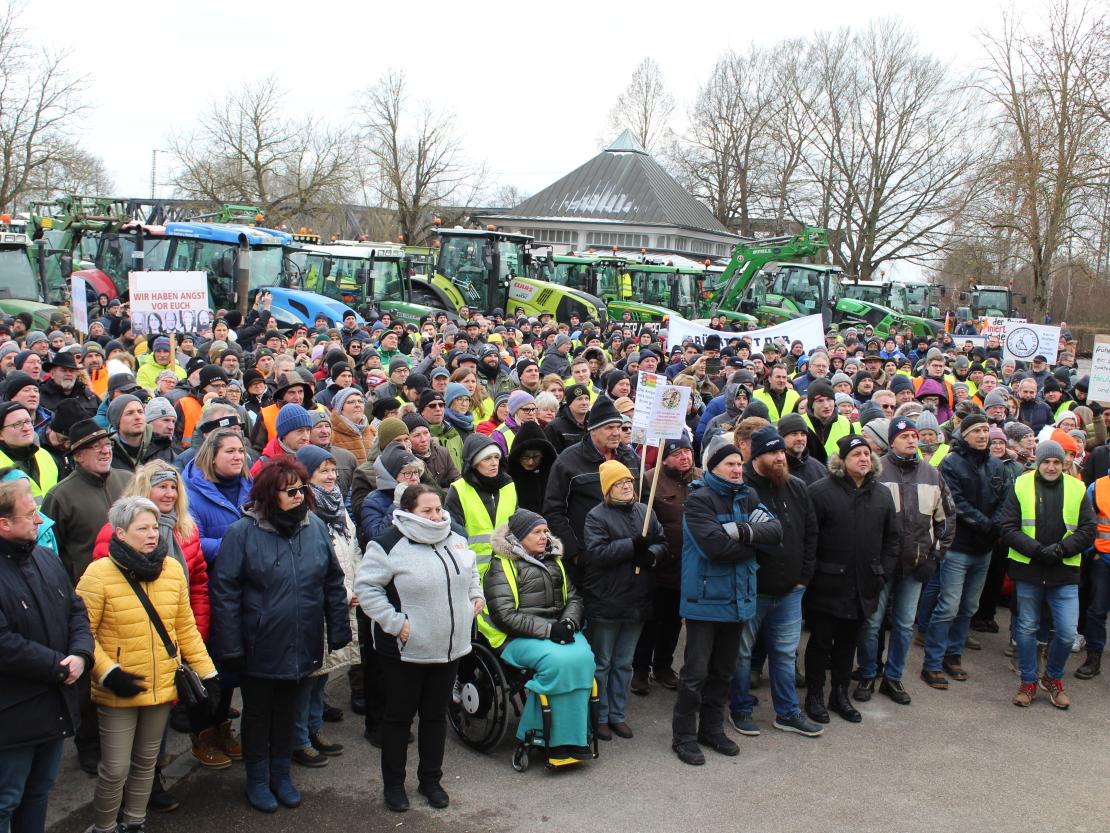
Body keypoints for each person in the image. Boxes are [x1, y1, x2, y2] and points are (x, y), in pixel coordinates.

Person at [208, 456, 352, 813]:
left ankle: (281, 774)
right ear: (270, 494)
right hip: (260, 644)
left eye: (302, 488)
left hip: (302, 639)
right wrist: (231, 646)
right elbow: (225, 592)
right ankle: (258, 779)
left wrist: (337, 629)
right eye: (291, 491)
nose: (299, 496)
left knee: (288, 711)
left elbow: (332, 580)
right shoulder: (242, 532)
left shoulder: (314, 526)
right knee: (258, 714)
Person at [76, 496, 218, 833]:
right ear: (121, 533)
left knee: (147, 762)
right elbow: (81, 633)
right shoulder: (98, 574)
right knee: (115, 768)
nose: (153, 534)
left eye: (155, 527)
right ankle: (105, 826)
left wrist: (208, 672)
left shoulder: (170, 569)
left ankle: (135, 823)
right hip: (119, 690)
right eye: (143, 528)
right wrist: (109, 672)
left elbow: (184, 629)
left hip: (162, 685)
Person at [355, 485, 483, 813]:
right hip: (405, 651)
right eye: (427, 511)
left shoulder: (455, 537)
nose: (436, 516)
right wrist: (396, 623)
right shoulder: (387, 544)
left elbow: (470, 572)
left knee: (435, 717)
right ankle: (394, 786)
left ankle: (430, 781)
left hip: (450, 647)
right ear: (407, 511)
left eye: (438, 509)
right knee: (398, 719)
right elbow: (366, 588)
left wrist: (474, 598)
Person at [672, 444, 782, 766]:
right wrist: (755, 545)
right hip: (705, 601)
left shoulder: (747, 496)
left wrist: (742, 531)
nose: (737, 469)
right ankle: (684, 737)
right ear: (713, 467)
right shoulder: (698, 500)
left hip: (738, 599)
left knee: (724, 672)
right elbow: (715, 548)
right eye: (730, 464)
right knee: (695, 674)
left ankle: (712, 729)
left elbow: (775, 532)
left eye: (739, 463)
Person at [0, 477, 93, 833]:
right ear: (4, 524)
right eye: (30, 515)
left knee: (39, 792)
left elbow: (75, 609)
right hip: (13, 714)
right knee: (7, 799)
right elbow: (4, 644)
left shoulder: (44, 557)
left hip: (53, 705)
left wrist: (81, 655)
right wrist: (58, 667)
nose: (41, 520)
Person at [728, 428, 823, 738]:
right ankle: (740, 708)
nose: (781, 457)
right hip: (751, 589)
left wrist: (803, 577)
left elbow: (810, 533)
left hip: (789, 591)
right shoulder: (739, 489)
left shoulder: (796, 487)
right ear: (756, 457)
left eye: (782, 451)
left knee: (784, 653)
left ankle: (788, 712)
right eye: (773, 452)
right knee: (741, 654)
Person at [855, 419, 955, 707]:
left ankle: (893, 677)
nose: (912, 441)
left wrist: (934, 557)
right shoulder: (875, 470)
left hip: (915, 565)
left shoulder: (932, 474)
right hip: (880, 565)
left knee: (903, 625)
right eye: (904, 436)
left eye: (914, 436)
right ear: (892, 441)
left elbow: (947, 520)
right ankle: (867, 673)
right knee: (872, 623)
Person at [484, 509, 594, 757]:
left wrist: (568, 623)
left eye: (545, 531)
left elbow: (574, 598)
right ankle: (541, 735)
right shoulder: (502, 565)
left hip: (556, 630)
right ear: (519, 536)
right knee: (558, 663)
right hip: (517, 637)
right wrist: (549, 630)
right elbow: (504, 615)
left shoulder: (553, 560)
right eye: (537, 532)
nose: (545, 536)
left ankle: (574, 736)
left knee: (585, 660)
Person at [805, 435, 898, 725]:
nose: (863, 459)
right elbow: (808, 538)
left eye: (867, 454)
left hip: (864, 585)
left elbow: (892, 539)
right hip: (827, 584)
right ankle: (815, 695)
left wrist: (882, 572)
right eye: (856, 454)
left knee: (848, 644)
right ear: (842, 460)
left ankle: (840, 694)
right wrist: (813, 574)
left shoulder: (882, 495)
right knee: (820, 643)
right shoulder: (820, 492)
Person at [1000, 440, 1096, 707]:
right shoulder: (1021, 484)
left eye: (1056, 462)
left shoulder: (1077, 488)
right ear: (1038, 462)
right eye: (1046, 461)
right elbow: (1007, 527)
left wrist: (1061, 550)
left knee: (1066, 633)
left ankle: (1052, 677)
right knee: (1026, 630)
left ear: (1063, 463)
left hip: (1063, 571)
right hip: (1029, 570)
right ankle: (1028, 681)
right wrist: (1037, 550)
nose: (1051, 467)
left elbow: (1088, 529)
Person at [919, 415, 1009, 689]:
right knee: (948, 605)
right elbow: (954, 501)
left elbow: (1006, 498)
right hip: (958, 547)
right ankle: (932, 662)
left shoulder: (996, 465)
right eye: (977, 431)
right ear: (964, 434)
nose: (983, 435)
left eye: (986, 430)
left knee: (969, 606)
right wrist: (987, 524)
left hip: (984, 549)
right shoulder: (951, 463)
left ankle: (953, 655)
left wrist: (996, 526)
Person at [579, 461, 666, 741]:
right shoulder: (596, 516)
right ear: (608, 488)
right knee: (602, 661)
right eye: (619, 483)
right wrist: (632, 546)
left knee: (624, 662)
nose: (627, 485)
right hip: (607, 600)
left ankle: (618, 714)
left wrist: (651, 554)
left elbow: (662, 542)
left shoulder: (645, 511)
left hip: (637, 600)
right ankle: (600, 715)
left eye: (629, 480)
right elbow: (596, 553)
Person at [290, 445, 361, 767]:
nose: (332, 476)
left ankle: (314, 727)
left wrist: (358, 585)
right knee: (309, 674)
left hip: (343, 598)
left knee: (325, 671)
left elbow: (353, 549)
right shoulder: (305, 512)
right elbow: (313, 565)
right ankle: (299, 738)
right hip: (320, 603)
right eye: (323, 471)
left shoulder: (338, 507)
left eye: (333, 469)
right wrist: (344, 593)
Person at [632, 437, 698, 696]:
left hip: (688, 565)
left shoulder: (701, 478)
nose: (685, 457)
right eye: (678, 453)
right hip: (659, 565)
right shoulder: (649, 479)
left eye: (688, 452)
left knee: (673, 621)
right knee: (651, 620)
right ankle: (640, 669)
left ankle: (663, 666)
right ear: (665, 457)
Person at [543, 397, 640, 562]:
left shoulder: (630, 457)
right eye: (609, 427)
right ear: (593, 430)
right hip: (591, 557)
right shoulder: (568, 461)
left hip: (632, 553)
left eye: (618, 427)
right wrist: (574, 553)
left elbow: (643, 498)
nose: (616, 432)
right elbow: (554, 511)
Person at [445, 434, 517, 577]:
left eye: (496, 457)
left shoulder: (508, 485)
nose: (494, 462)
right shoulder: (458, 490)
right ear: (474, 463)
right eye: (487, 458)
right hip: (473, 573)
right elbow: (453, 535)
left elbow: (516, 522)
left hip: (508, 570)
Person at [183, 428, 253, 565]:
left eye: (241, 451)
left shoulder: (253, 487)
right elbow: (195, 545)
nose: (238, 457)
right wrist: (243, 544)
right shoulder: (190, 495)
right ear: (212, 457)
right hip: (214, 579)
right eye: (230, 451)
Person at [505, 420, 557, 514]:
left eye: (536, 457)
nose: (530, 462)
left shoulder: (555, 473)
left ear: (543, 455)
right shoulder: (507, 477)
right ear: (517, 456)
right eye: (525, 457)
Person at [329, 388, 375, 465]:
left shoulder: (372, 431)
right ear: (340, 408)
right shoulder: (331, 435)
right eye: (351, 402)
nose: (357, 405)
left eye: (360, 401)